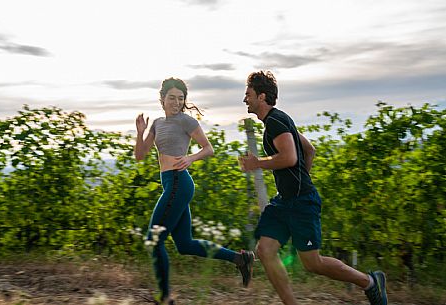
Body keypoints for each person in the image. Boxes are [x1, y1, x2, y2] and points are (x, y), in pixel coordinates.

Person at [238, 71, 388, 305]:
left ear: (262, 96)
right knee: (265, 250)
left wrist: (258, 164)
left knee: (312, 263)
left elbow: (290, 158)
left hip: (300, 202)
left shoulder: (276, 122)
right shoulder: (279, 120)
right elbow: (309, 150)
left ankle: (369, 282)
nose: (245, 99)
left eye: (248, 94)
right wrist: (296, 181)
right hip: (285, 200)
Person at [134, 77, 255, 305]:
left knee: (154, 239)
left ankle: (165, 296)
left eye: (180, 99)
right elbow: (140, 156)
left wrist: (190, 158)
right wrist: (140, 133)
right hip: (171, 183)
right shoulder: (158, 123)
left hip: (180, 182)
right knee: (185, 244)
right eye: (172, 98)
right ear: (162, 99)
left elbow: (208, 148)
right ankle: (241, 259)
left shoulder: (186, 122)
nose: (176, 103)